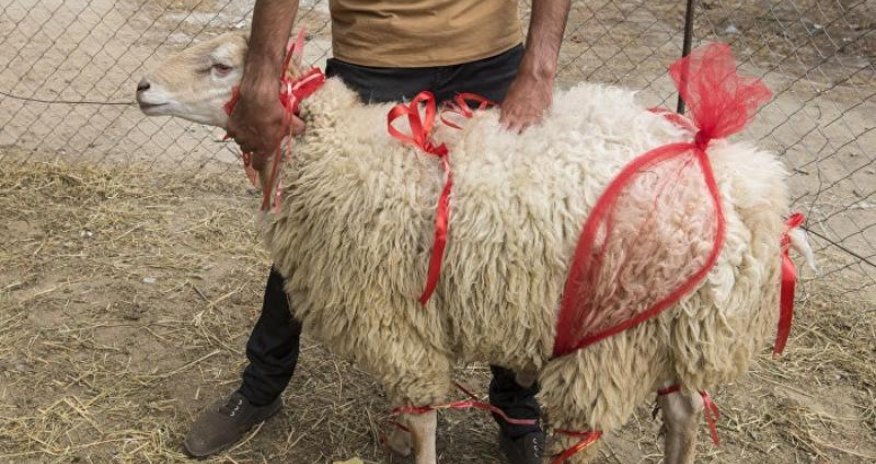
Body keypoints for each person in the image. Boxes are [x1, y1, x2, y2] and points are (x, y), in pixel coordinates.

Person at [184, 1, 570, 463]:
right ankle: (260, 387)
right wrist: (261, 80)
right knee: (317, 231)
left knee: (504, 238)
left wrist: (539, 69)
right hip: (376, 59)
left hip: (488, 56)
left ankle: (516, 409)